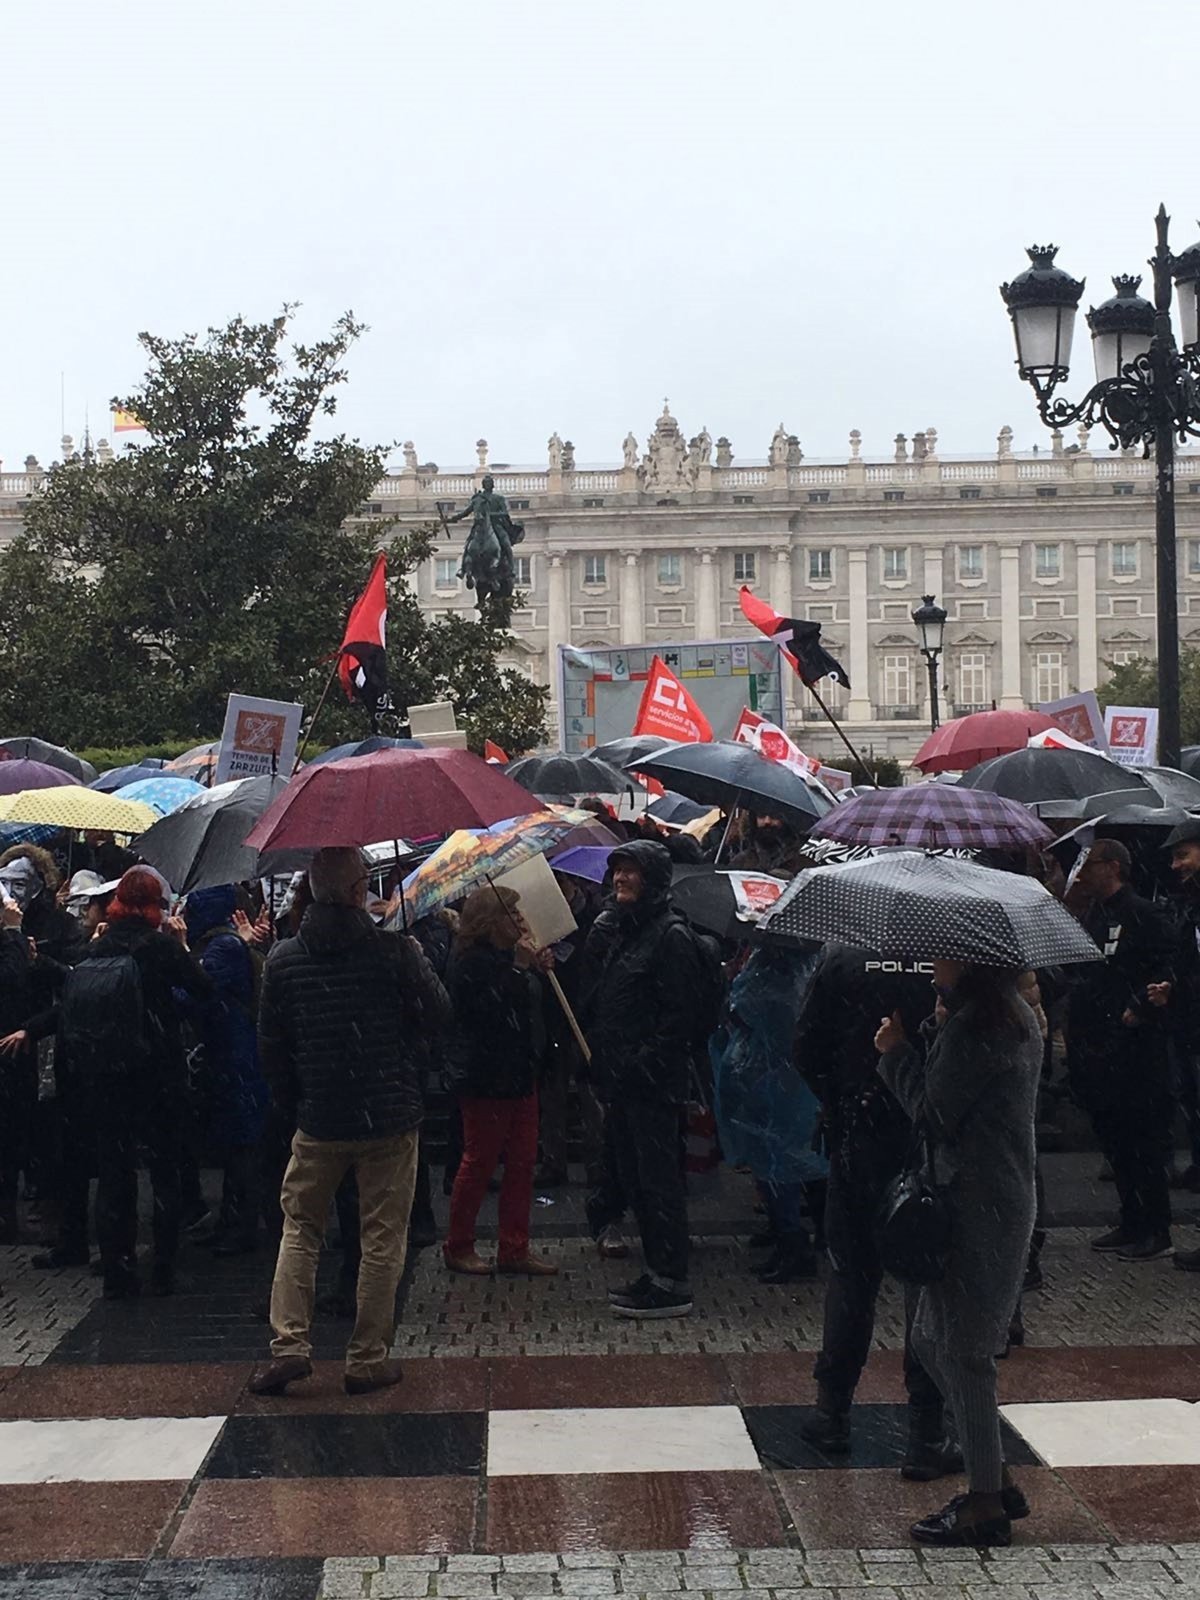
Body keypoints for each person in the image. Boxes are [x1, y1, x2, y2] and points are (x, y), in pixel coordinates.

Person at [250, 847, 449, 1398]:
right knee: (383, 1235)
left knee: (300, 1227)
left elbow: (271, 1046)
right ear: (360, 890)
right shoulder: (393, 951)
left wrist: (295, 1102)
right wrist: (417, 963)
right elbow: (439, 1014)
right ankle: (367, 1357)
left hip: (319, 1116)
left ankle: (290, 1346)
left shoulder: (284, 959)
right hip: (389, 1114)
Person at [875, 960, 1043, 1548]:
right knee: (929, 1338)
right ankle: (992, 1470)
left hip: (979, 1205)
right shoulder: (1000, 1014)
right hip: (988, 1196)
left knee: (965, 1352)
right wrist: (937, 1027)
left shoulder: (982, 1027)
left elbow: (935, 1114)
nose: (933, 964)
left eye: (942, 957)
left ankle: (985, 1504)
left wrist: (895, 1054)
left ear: (970, 962)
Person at [4, 866, 212, 1297]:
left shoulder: (98, 949)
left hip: (108, 1076)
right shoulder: (160, 948)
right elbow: (204, 992)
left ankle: (119, 1271)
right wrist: (183, 947)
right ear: (154, 906)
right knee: (165, 1170)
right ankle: (164, 1268)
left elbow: (73, 1002)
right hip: (158, 1073)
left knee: (116, 1175)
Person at [794, 945, 959, 1479]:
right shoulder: (950, 958)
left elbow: (806, 1046)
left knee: (852, 1277)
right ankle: (926, 1431)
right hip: (925, 1141)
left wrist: (841, 1095)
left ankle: (832, 1410)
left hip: (858, 1136)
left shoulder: (844, 957)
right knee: (924, 1281)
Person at [581, 838, 703, 1319]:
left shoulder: (670, 937)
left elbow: (679, 1020)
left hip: (652, 1088)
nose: (621, 878)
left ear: (652, 878)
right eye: (617, 870)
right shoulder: (629, 931)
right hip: (626, 1086)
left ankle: (671, 1281)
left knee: (658, 1185)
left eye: (631, 870)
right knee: (637, 1182)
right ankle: (656, 1272)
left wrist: (639, 1065)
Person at [1068, 838, 1177, 1262]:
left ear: (1113, 866)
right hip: (1101, 1045)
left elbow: (1167, 969)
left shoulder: (1145, 915)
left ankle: (1156, 1227)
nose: (1083, 874)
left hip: (1138, 1049)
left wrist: (1140, 1007)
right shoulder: (1094, 916)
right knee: (1115, 1139)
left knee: (1144, 1140)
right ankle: (1131, 1218)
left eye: (1090, 865)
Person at [442, 886, 557, 1277]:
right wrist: (520, 971)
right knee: (480, 1161)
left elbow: (528, 1006)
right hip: (487, 1078)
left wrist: (536, 971)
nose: (521, 920)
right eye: (513, 913)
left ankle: (514, 1246)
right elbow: (487, 1012)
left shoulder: (510, 958)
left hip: (520, 1072)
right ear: (492, 921)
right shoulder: (468, 962)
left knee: (522, 1162)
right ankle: (458, 1244)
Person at [184, 885, 269, 1257]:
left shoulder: (221, 948)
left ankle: (239, 1226)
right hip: (237, 1056)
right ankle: (234, 1222)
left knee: (241, 1147)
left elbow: (193, 993)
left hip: (234, 1057)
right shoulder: (230, 944)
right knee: (240, 1145)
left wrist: (181, 954)